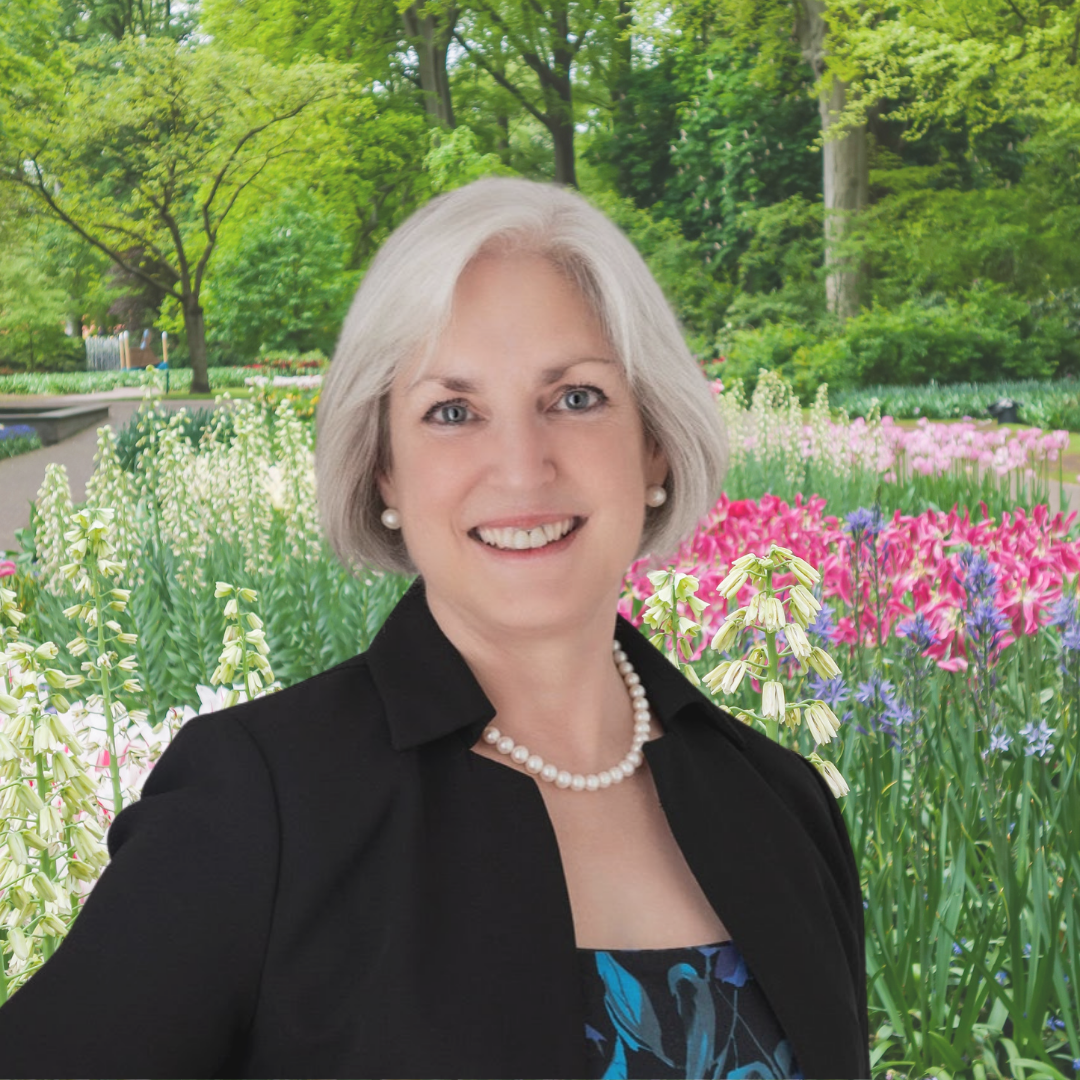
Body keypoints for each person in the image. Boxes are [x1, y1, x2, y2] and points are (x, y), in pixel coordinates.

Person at [0, 176, 870, 1079]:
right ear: (384, 472)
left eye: (575, 397)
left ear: (653, 441)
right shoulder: (260, 808)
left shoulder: (784, 802)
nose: (521, 467)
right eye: (452, 412)